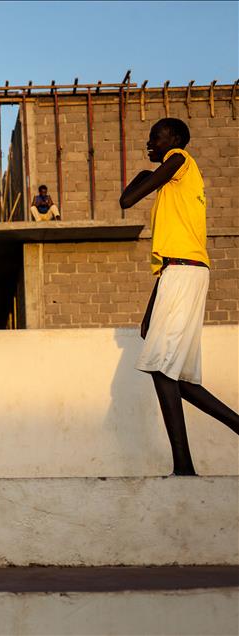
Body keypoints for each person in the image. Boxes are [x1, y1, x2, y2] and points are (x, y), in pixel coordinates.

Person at [119, 117, 239, 476]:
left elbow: (127, 199)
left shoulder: (180, 161)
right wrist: (150, 310)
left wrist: (143, 172)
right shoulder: (173, 186)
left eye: (155, 136)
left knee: (160, 369)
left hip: (185, 272)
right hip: (178, 272)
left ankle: (183, 466)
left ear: (175, 140)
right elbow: (170, 252)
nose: (148, 142)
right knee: (179, 379)